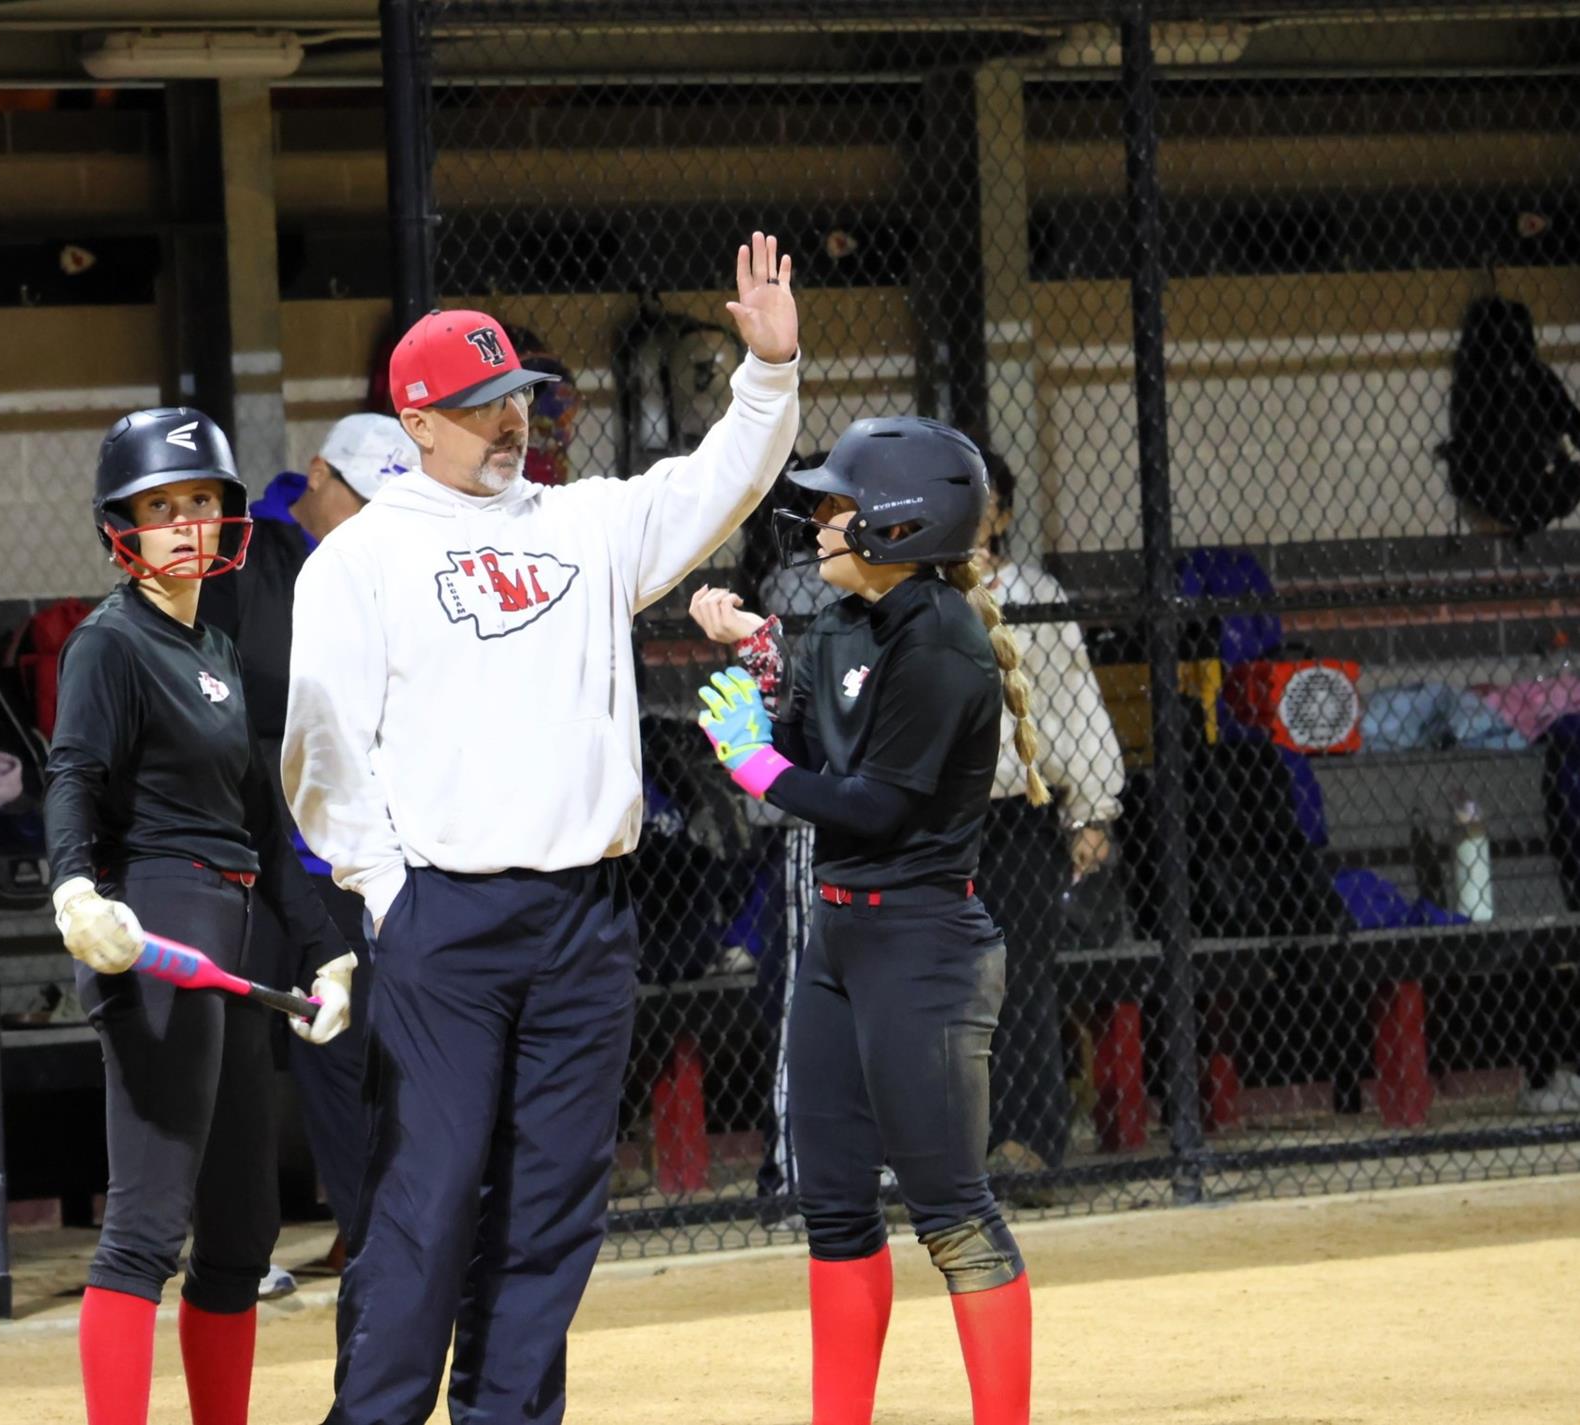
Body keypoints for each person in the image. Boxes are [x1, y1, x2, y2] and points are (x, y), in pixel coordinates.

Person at [281, 231, 800, 1425]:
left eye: (512, 397)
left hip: (584, 919)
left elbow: (714, 481)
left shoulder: (584, 524)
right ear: (415, 421)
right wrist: (387, 889)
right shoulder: (359, 559)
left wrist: (767, 376)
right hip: (444, 921)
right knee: (426, 1198)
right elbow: (318, 745)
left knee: (553, 1205)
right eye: (477, 406)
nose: (507, 422)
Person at [690, 415, 1041, 1425]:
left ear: (900, 525)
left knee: (952, 1215)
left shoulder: (941, 641)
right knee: (834, 1207)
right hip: (840, 941)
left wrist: (759, 768)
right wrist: (760, 655)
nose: (818, 523)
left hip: (920, 949)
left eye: (839, 507)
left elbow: (878, 803)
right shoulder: (849, 621)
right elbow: (813, 732)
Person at [44, 407, 359, 1425]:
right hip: (157, 926)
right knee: (145, 1228)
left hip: (234, 933)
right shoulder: (110, 643)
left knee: (241, 1234)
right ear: (119, 524)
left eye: (200, 504)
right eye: (160, 507)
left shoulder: (215, 650)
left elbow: (265, 832)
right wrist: (73, 889)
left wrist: (328, 954)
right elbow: (72, 779)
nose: (184, 523)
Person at [199, 413, 420, 1284]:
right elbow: (230, 681)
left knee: (343, 1046)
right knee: (238, 1046)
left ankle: (369, 1229)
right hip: (249, 843)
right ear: (320, 476)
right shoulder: (247, 550)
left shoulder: (384, 557)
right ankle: (233, 1248)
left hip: (341, 851)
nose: (374, 513)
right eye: (361, 495)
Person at [973, 442, 1126, 1182]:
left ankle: (1029, 1141)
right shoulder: (911, 593)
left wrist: (1092, 809)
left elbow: (1075, 703)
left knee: (1021, 977)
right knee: (942, 984)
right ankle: (956, 1151)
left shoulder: (1033, 593)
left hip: (1016, 814)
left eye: (982, 496)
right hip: (938, 820)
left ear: (1000, 512)